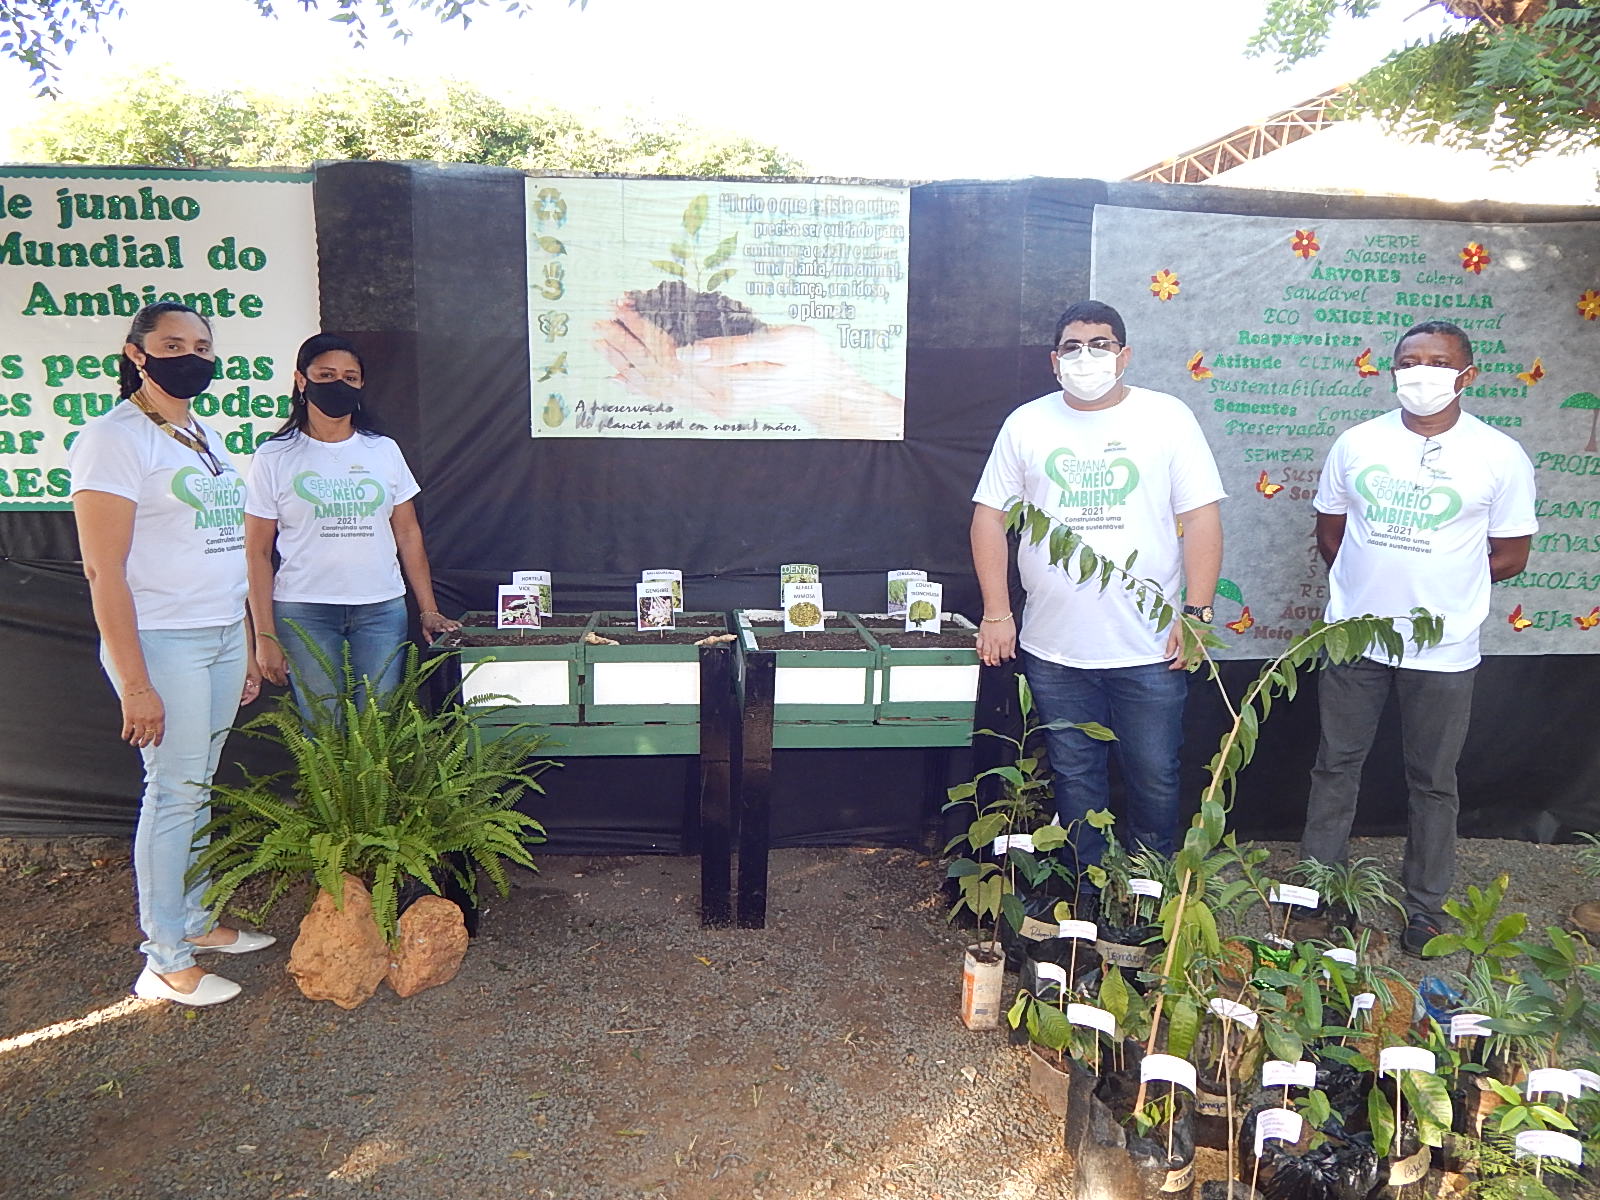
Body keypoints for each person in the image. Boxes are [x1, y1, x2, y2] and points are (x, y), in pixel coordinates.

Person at [1300, 319, 1536, 957]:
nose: (1420, 374)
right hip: (1355, 639)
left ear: (1467, 376)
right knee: (1335, 766)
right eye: (1408, 362)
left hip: (1443, 647)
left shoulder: (1499, 455)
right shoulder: (1357, 443)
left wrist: (1444, 585)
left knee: (1432, 780)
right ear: (1393, 371)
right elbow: (1330, 535)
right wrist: (1368, 595)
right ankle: (1314, 896)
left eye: (1437, 362)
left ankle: (1426, 909)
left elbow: (1511, 555)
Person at [970, 300, 1225, 881]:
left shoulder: (1167, 418)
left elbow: (1202, 518)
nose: (1086, 357)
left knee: (1154, 775)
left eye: (1101, 344)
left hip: (1150, 647)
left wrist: (1197, 613)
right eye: (1073, 347)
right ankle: (1089, 890)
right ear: (1054, 361)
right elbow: (989, 517)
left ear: (1124, 355)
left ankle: (1148, 894)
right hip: (1054, 648)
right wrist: (996, 612)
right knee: (1073, 775)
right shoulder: (1027, 424)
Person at [69, 301, 275, 1008]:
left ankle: (196, 919)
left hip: (218, 633)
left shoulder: (202, 433)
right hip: (163, 640)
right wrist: (135, 683)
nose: (191, 356)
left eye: (201, 346)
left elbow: (225, 549)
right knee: (173, 793)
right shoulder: (114, 439)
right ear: (137, 354)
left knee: (198, 786)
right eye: (172, 344)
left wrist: (243, 639)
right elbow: (102, 569)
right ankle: (163, 959)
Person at [245, 333, 458, 722]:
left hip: (381, 608)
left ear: (361, 385)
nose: (338, 384)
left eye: (350, 377)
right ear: (301, 380)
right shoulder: (273, 456)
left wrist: (428, 609)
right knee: (323, 726)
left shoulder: (383, 450)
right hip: (304, 610)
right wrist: (265, 636)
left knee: (376, 725)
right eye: (326, 375)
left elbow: (408, 534)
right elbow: (257, 552)